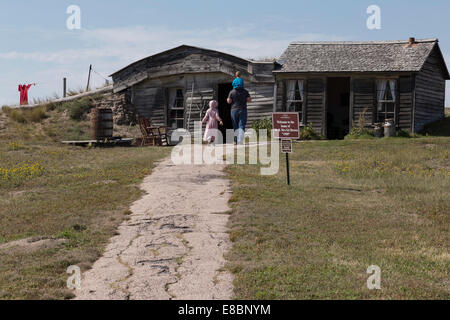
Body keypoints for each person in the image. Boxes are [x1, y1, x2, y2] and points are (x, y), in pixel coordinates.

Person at [227, 72, 251, 144]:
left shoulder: (232, 92)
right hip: (243, 109)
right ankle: (240, 140)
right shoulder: (245, 91)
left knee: (235, 125)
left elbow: (228, 101)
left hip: (234, 110)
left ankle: (236, 140)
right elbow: (249, 100)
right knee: (241, 125)